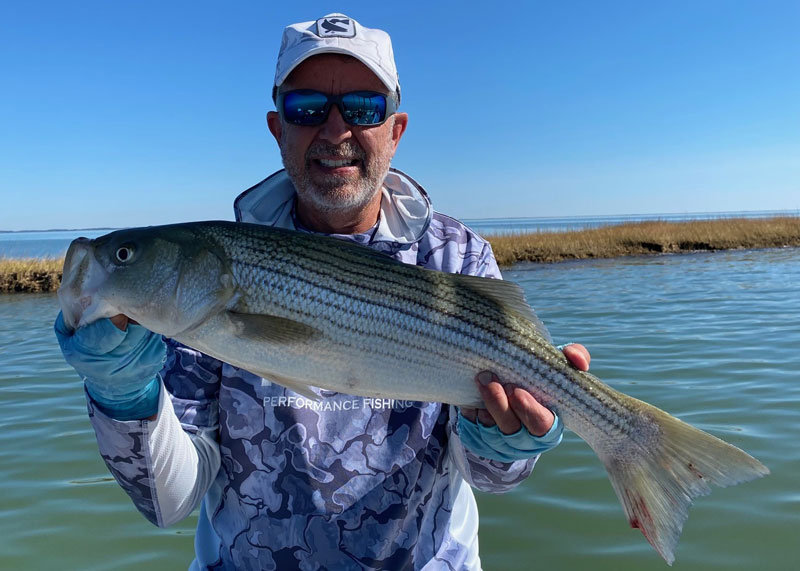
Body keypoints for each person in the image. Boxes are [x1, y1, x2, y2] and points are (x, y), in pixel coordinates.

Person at [55, 13, 590, 570]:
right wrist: (123, 399)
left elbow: (491, 479)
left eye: (362, 109)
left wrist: (502, 444)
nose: (335, 132)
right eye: (307, 108)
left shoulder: (458, 258)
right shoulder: (202, 292)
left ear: (396, 130)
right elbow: (169, 501)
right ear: (276, 126)